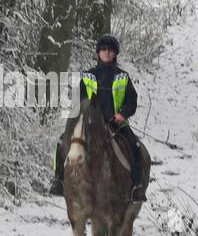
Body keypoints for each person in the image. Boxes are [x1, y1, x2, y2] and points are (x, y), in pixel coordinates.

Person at [48, 34, 147, 201]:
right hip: (90, 124)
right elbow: (79, 100)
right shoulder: (87, 76)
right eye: (103, 50)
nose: (107, 53)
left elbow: (132, 100)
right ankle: (59, 180)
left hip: (117, 124)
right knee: (61, 142)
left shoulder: (123, 76)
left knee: (136, 147)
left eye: (110, 50)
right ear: (98, 53)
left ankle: (136, 187)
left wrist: (122, 113)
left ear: (115, 53)